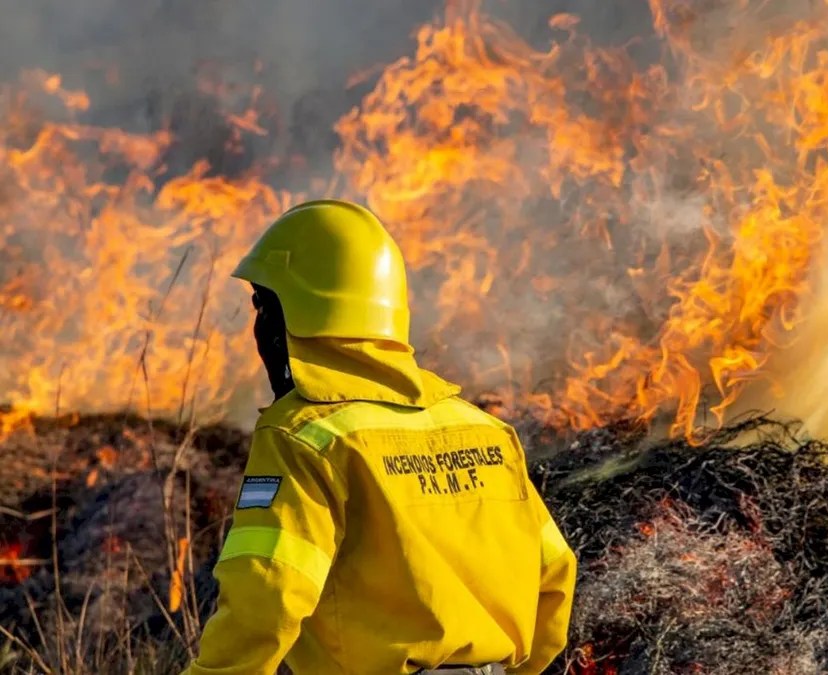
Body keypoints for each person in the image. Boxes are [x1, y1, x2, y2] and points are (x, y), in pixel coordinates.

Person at [182, 199, 576, 675]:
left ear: (297, 315)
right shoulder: (485, 431)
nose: (258, 326)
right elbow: (554, 575)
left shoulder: (305, 437)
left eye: (264, 306)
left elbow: (269, 594)